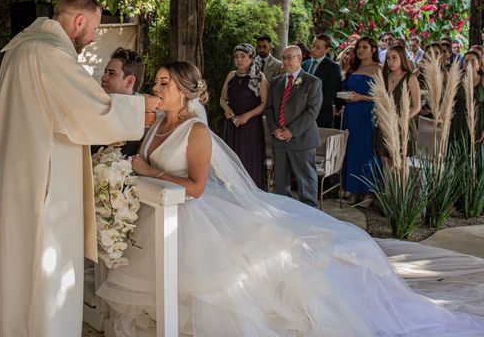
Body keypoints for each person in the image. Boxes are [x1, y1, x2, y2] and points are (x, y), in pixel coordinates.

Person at [97, 60, 484, 337]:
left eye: (164, 84)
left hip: (194, 218)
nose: (157, 90)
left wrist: (149, 173)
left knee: (215, 294)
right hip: (158, 216)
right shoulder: (157, 123)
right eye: (158, 83)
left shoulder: (195, 131)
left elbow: (196, 187)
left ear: (183, 91)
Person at [0, 0, 159, 337]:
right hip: (45, 182)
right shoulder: (50, 54)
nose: (91, 39)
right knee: (44, 268)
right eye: (93, 29)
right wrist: (139, 108)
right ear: (80, 21)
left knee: (17, 263)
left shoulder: (20, 49)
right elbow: (87, 111)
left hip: (19, 174)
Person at [266, 45, 322, 207]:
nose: (285, 61)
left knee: (306, 180)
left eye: (289, 57)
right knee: (280, 180)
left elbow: (312, 111)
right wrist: (275, 129)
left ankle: (309, 213)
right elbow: (269, 108)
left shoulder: (312, 82)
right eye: (284, 57)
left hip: (302, 138)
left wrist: (292, 131)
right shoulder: (276, 82)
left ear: (299, 58)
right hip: (279, 139)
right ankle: (284, 212)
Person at [220, 43, 268, 190]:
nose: (239, 60)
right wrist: (226, 108)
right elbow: (222, 98)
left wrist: (247, 116)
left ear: (251, 57)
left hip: (251, 126)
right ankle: (232, 189)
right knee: (232, 156)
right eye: (236, 57)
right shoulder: (231, 75)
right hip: (233, 124)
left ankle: (250, 191)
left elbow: (264, 103)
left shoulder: (259, 77)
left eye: (243, 56)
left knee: (248, 157)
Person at [341, 36, 381, 206]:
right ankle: (353, 189)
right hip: (351, 112)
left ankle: (368, 192)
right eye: (358, 47)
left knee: (366, 151)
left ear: (373, 49)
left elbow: (382, 96)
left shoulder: (379, 69)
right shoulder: (353, 68)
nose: (360, 50)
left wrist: (361, 97)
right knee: (352, 150)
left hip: (368, 113)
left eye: (364, 47)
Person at [374, 45, 422, 163]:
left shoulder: (410, 78)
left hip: (403, 124)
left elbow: (417, 106)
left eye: (394, 58)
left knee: (401, 162)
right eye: (388, 58)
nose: (390, 61)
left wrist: (402, 119)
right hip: (385, 122)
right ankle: (387, 182)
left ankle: (402, 183)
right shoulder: (383, 76)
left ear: (402, 58)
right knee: (386, 161)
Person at [97, 46, 146, 156]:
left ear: (129, 81)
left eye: (111, 73)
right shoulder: (96, 106)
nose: (103, 78)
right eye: (105, 72)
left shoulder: (146, 117)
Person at [302, 34, 342, 128]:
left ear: (327, 50)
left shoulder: (333, 67)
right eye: (313, 45)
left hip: (321, 116)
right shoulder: (304, 64)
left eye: (318, 47)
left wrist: (311, 109)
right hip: (301, 115)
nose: (313, 49)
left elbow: (330, 94)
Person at [450, 50, 484, 144]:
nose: (469, 63)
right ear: (463, 64)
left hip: (478, 123)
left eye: (473, 61)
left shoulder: (483, 81)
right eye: (466, 61)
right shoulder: (456, 80)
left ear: (478, 65)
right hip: (458, 122)